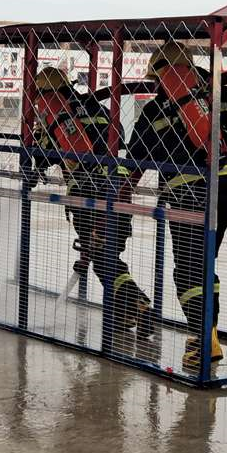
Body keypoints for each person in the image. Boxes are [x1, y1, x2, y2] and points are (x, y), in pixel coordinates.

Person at [127, 42, 227, 369]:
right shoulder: (215, 96)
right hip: (225, 187)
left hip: (186, 194)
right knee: (203, 262)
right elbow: (223, 126)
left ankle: (202, 338)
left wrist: (119, 193)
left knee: (188, 270)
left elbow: (135, 161)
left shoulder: (153, 111)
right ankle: (208, 335)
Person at [29, 67, 153, 337]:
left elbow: (44, 155)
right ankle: (127, 313)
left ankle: (138, 302)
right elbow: (118, 134)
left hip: (87, 195)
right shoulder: (95, 107)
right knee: (108, 255)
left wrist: (35, 151)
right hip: (118, 189)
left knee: (101, 258)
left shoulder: (56, 114)